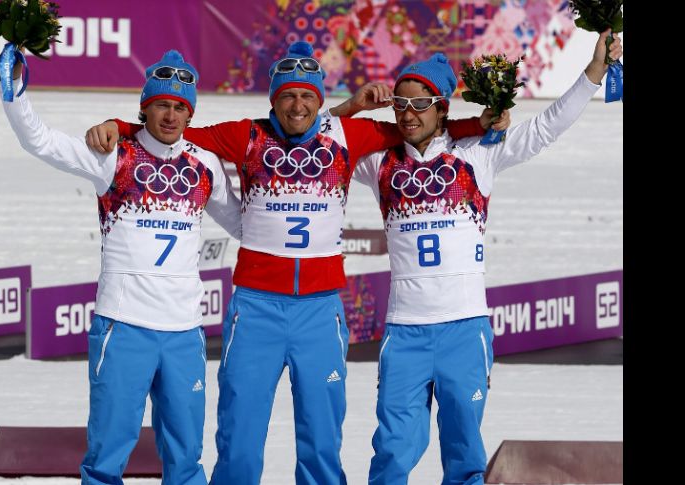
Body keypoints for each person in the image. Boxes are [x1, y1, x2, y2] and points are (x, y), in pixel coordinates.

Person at [84, 40, 496, 485]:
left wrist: (479, 123)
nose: (297, 105)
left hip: (319, 310)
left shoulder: (346, 136)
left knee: (321, 440)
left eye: (307, 96)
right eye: (287, 95)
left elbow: (418, 130)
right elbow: (174, 134)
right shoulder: (247, 134)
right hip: (256, 307)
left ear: (319, 102)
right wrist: (122, 125)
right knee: (239, 434)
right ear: (272, 100)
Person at [331, 30, 622, 485]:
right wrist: (350, 108)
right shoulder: (380, 162)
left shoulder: (477, 154)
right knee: (391, 453)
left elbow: (546, 127)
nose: (408, 115)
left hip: (464, 330)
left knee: (464, 455)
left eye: (420, 104)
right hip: (405, 332)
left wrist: (592, 74)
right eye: (400, 105)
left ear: (443, 107)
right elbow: (315, 143)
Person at [0, 49, 241, 485]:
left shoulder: (205, 167)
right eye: (162, 103)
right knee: (107, 455)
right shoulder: (112, 156)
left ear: (190, 113)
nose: (171, 115)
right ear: (144, 106)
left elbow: (247, 224)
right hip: (124, 327)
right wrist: (14, 94)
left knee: (186, 457)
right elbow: (41, 141)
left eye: (181, 107)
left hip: (184, 331)